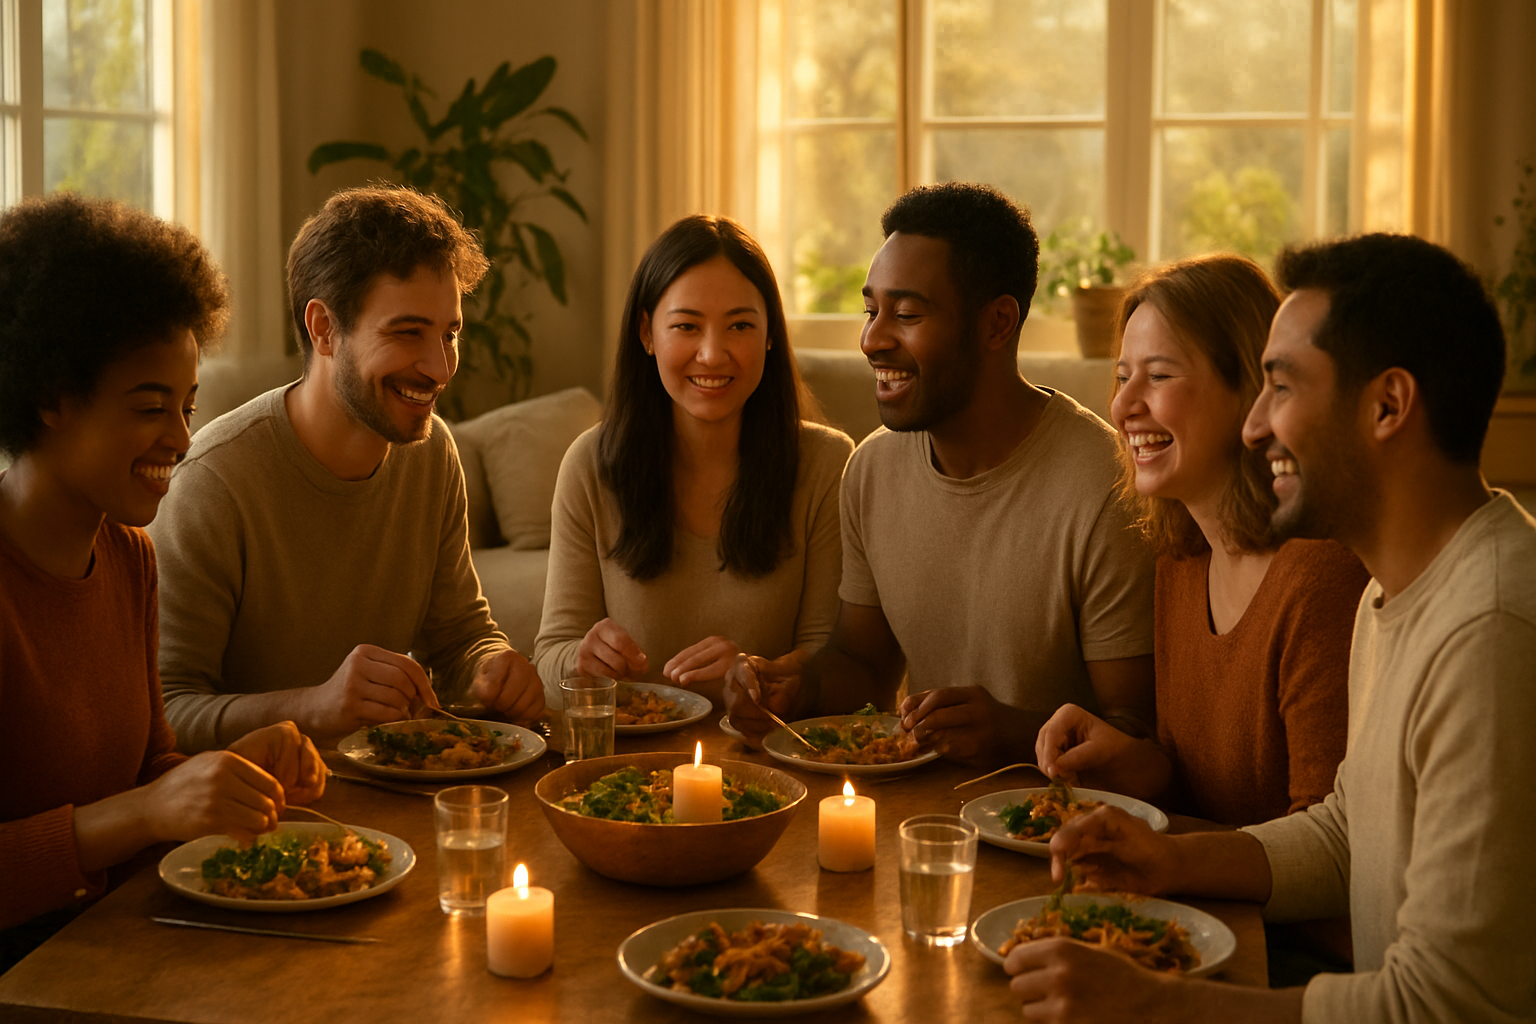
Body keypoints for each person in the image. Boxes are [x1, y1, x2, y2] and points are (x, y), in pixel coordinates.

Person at [1006, 233, 1536, 1023]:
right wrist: (1169, 858)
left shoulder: (1487, 630)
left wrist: (1157, 1004)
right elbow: (1343, 830)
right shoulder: (1396, 592)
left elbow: (1445, 1005)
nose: (1255, 427)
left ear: (1388, 406)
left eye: (1280, 389)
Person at [725, 182, 1156, 768]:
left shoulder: (1105, 486)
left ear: (997, 323)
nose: (872, 340)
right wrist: (795, 688)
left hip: (1054, 836)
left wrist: (1012, 732)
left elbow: (1137, 733)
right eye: (871, 310)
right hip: (920, 817)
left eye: (905, 314)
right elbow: (865, 662)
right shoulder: (871, 469)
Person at [0, 194, 325, 959]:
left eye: (187, 406)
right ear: (52, 396)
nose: (180, 438)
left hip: (118, 947)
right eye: (152, 407)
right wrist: (147, 812)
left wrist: (233, 770)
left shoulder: (128, 557)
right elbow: (142, 807)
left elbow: (150, 771)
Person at [148, 185, 543, 753]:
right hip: (257, 816)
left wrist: (492, 667)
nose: (439, 367)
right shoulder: (214, 483)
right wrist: (311, 708)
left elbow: (459, 636)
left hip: (386, 797)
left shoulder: (433, 454)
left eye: (449, 334)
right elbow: (166, 712)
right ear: (324, 329)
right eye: (408, 332)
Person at [1035, 255, 1368, 827]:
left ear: (1251, 392)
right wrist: (1142, 766)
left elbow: (1330, 850)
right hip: (1194, 909)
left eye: (1159, 376)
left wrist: (1156, 851)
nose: (1121, 406)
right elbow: (1206, 793)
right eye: (1122, 377)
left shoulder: (1320, 579)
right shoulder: (1181, 561)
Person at [533, 216, 852, 701]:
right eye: (686, 326)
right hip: (626, 763)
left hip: (766, 761)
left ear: (770, 335)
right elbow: (550, 659)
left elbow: (830, 660)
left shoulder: (826, 464)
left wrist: (756, 676)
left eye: (740, 325)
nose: (712, 354)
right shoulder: (590, 465)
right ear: (646, 333)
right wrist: (580, 660)